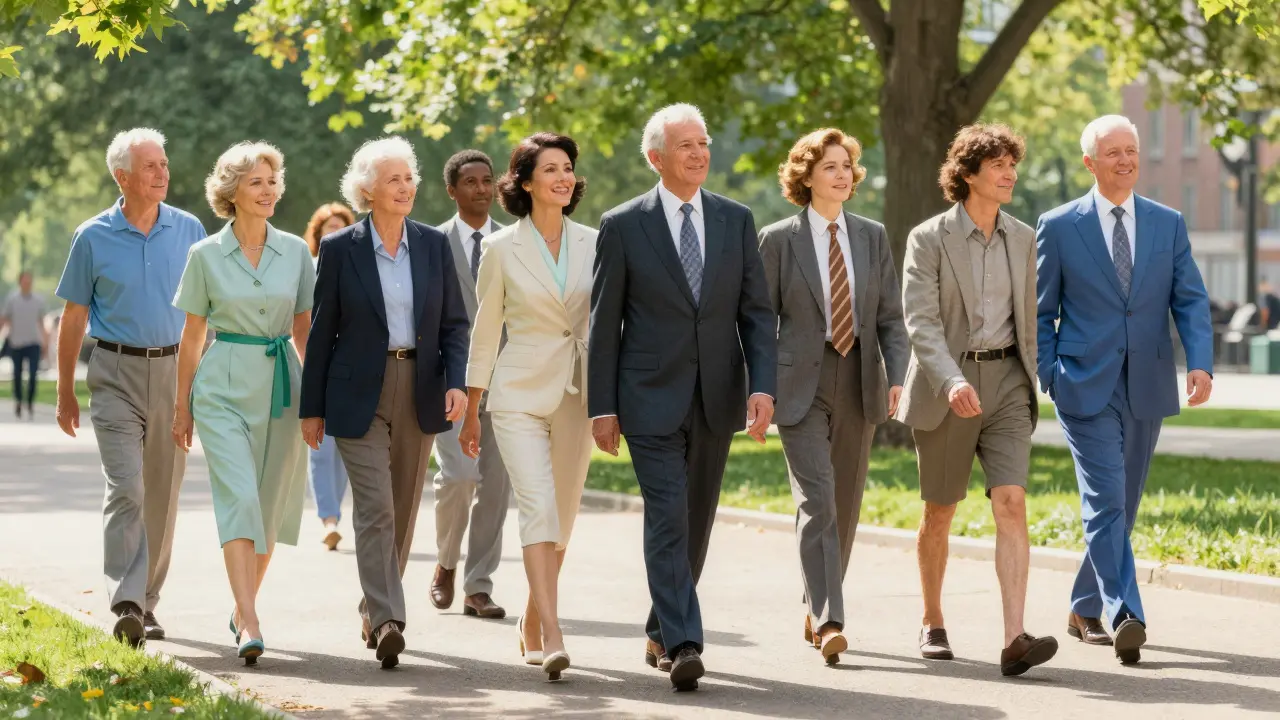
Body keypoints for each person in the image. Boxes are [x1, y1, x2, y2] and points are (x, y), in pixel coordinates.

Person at [588, 104, 777, 691]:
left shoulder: (735, 219)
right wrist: (602, 405)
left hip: (717, 394)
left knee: (696, 522)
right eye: (685, 145)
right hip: (646, 397)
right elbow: (604, 322)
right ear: (656, 158)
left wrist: (762, 385)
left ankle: (658, 625)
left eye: (703, 142)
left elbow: (756, 311)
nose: (699, 153)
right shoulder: (622, 225)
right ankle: (685, 642)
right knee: (668, 515)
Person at [1036, 115, 1213, 665]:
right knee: (1106, 498)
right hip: (1083, 384)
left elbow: (1190, 298)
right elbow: (1041, 311)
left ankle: (1083, 605)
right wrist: (1050, 373)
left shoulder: (1168, 223)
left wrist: (1200, 363)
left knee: (1124, 504)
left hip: (1147, 381)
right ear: (1090, 162)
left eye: (1132, 150)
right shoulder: (1059, 225)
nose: (1126, 161)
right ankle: (1124, 612)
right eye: (1113, 152)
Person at [300, 136, 470, 669]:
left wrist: (457, 380)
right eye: (394, 179)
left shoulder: (432, 245)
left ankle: (374, 607)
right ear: (368, 190)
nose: (406, 187)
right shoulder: (340, 248)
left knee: (400, 508)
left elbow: (455, 323)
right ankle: (391, 617)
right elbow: (322, 329)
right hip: (357, 392)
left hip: (419, 384)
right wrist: (312, 407)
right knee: (374, 508)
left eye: (410, 178)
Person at [896, 124, 1058, 677]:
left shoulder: (1023, 237)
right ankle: (932, 619)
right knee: (939, 510)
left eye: (1013, 163)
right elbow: (921, 321)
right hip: (950, 385)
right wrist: (950, 380)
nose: (1010, 174)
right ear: (967, 175)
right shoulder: (928, 238)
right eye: (998, 166)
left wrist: (1040, 373)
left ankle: (1015, 637)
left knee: (1011, 501)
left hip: (1009, 380)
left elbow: (1031, 318)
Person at [757, 128, 909, 665]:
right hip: (800, 382)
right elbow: (759, 321)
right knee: (816, 497)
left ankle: (817, 601)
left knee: (845, 503)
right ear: (807, 176)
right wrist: (759, 389)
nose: (842, 174)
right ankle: (830, 619)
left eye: (847, 166)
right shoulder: (778, 240)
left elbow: (890, 317)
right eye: (830, 167)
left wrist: (898, 375)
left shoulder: (871, 236)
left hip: (859, 376)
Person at [53, 128, 206, 646]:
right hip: (114, 372)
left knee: (162, 493)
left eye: (164, 164)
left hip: (173, 374)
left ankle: (147, 603)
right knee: (127, 487)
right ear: (122, 177)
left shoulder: (190, 230)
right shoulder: (92, 236)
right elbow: (74, 318)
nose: (162, 174)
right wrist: (65, 391)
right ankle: (125, 598)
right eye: (150, 167)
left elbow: (205, 314)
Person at [171, 142, 313, 665]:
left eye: (273, 180)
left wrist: (316, 400)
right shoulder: (204, 255)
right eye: (256, 182)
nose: (268, 190)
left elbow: (304, 329)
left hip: (283, 389)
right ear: (232, 192)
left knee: (270, 507)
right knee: (241, 500)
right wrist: (181, 406)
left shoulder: (297, 251)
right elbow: (192, 337)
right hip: (223, 385)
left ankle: (240, 605)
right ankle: (250, 620)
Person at [460, 132, 594, 680]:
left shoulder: (594, 241)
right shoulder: (500, 249)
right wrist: (472, 408)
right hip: (516, 394)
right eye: (552, 169)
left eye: (568, 169)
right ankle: (555, 631)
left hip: (579, 396)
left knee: (562, 515)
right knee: (538, 504)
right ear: (526, 181)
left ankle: (533, 619)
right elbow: (485, 331)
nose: (564, 177)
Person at [429, 150, 512, 620]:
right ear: (452, 190)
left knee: (496, 485)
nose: (481, 188)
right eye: (471, 181)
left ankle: (478, 584)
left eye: (487, 181)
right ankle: (444, 562)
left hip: (503, 384)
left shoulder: (512, 242)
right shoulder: (432, 243)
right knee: (460, 476)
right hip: (450, 384)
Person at [302, 202, 356, 550]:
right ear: (318, 235)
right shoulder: (306, 269)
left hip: (351, 372)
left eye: (341, 226)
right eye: (328, 228)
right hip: (313, 366)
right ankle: (329, 519)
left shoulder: (360, 269)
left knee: (345, 451)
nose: (334, 232)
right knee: (321, 449)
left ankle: (334, 510)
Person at [1, 270, 50, 419]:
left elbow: (42, 323)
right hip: (16, 343)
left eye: (29, 281)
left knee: (33, 374)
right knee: (17, 374)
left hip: (34, 343)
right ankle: (18, 400)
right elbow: (4, 320)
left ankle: (29, 402)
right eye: (25, 281)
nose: (27, 283)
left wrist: (45, 342)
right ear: (20, 282)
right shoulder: (12, 299)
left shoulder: (38, 300)